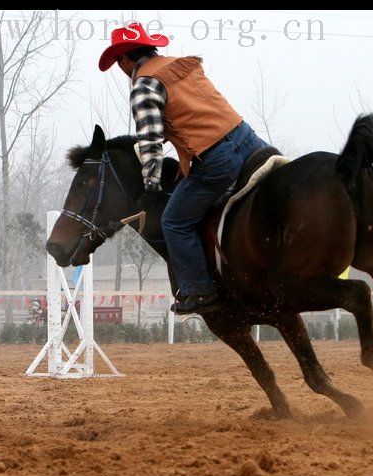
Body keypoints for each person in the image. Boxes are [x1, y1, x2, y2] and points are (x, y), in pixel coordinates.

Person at [99, 22, 269, 314]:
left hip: (217, 158)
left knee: (173, 222)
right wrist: (186, 158)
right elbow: (196, 115)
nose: (120, 68)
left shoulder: (143, 85)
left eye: (118, 62)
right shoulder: (182, 66)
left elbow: (150, 140)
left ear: (125, 59)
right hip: (248, 139)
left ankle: (199, 292)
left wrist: (151, 184)